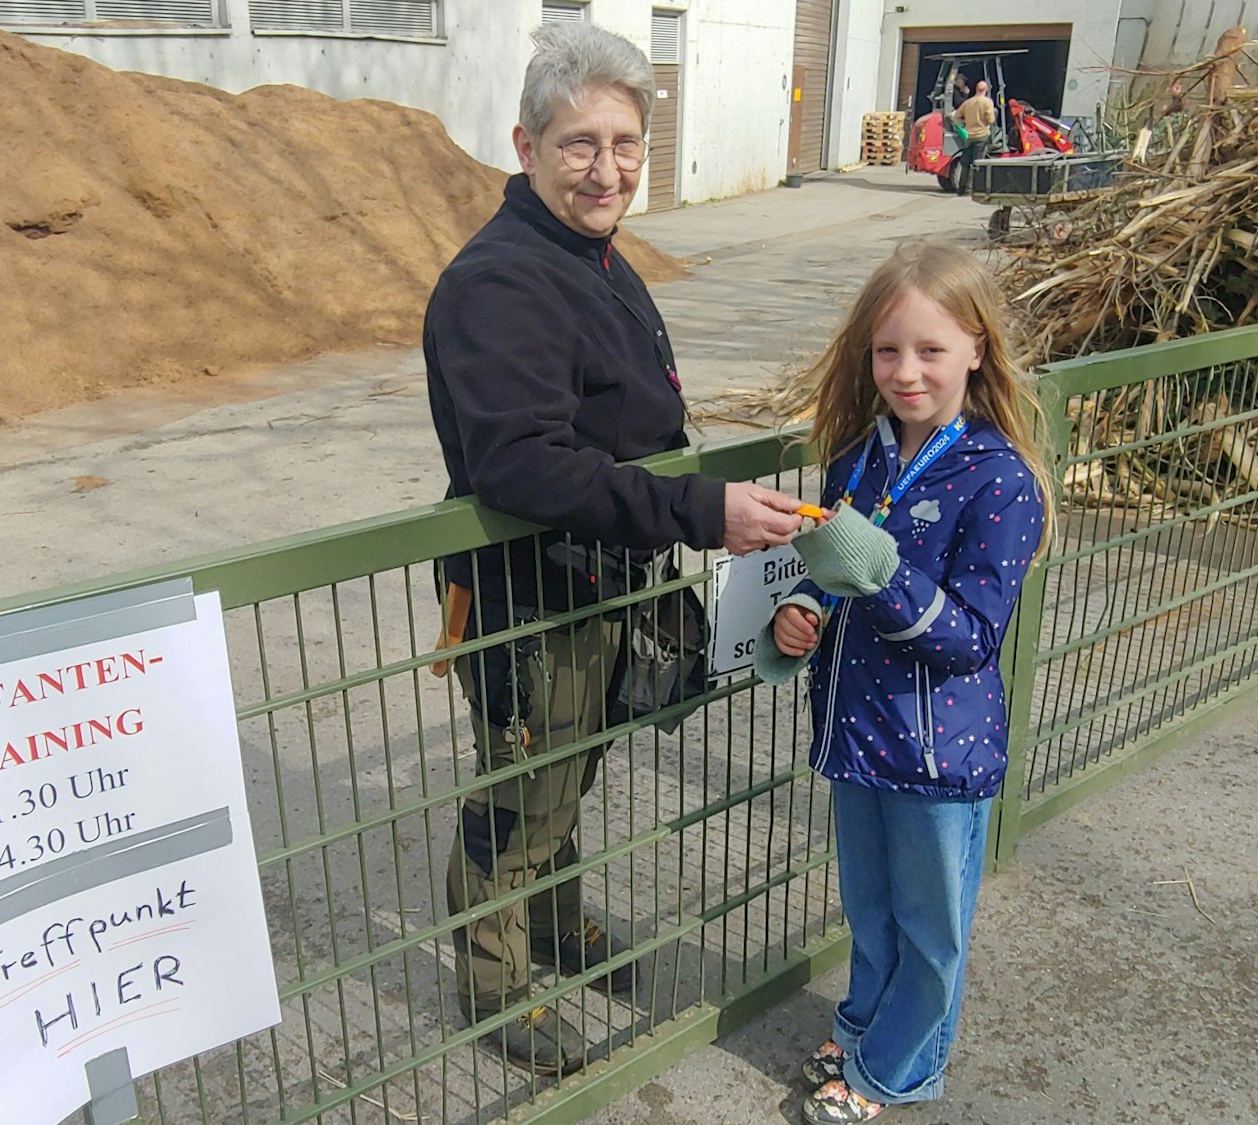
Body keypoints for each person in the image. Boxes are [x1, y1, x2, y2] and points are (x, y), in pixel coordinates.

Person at [423, 23, 806, 1076]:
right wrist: (698, 514)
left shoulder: (592, 257)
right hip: (526, 594)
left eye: (625, 142)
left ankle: (554, 927)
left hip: (600, 580)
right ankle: (495, 980)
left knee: (571, 768)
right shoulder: (500, 283)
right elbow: (524, 468)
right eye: (579, 142)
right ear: (526, 145)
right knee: (521, 785)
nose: (607, 168)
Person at [751, 241, 1052, 1123]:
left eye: (929, 349)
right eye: (888, 350)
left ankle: (896, 1070)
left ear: (976, 349)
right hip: (855, 733)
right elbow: (834, 570)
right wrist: (804, 605)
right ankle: (862, 1025)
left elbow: (968, 639)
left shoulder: (998, 480)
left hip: (936, 752)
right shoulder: (858, 460)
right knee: (872, 908)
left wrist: (877, 572)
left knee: (931, 929)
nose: (906, 371)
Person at [953, 80, 996, 191]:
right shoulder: (987, 102)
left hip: (969, 136)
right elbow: (991, 119)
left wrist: (963, 125)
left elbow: (956, 116)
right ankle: (974, 188)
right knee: (977, 163)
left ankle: (961, 188)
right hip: (982, 136)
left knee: (965, 163)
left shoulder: (968, 102)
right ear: (986, 90)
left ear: (976, 89)